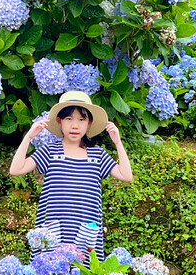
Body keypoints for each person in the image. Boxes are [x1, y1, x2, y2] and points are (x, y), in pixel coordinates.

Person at [8, 90, 133, 265]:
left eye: (82, 120)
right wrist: (29, 137)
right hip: (53, 228)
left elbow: (126, 175)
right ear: (59, 122)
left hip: (85, 230)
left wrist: (117, 142)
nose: (75, 126)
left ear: (89, 123)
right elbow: (16, 169)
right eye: (69, 119)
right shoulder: (50, 151)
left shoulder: (97, 155)